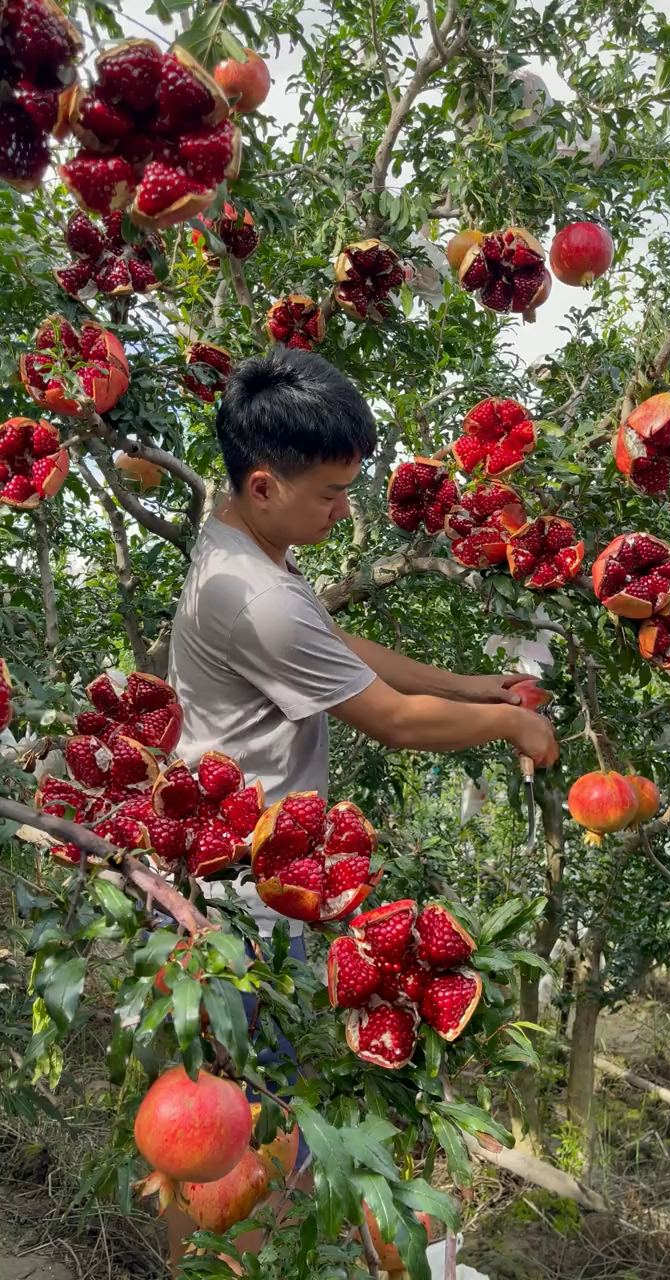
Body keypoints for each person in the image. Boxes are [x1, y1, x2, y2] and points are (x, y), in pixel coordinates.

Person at [164, 346, 558, 1263]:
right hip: (244, 904)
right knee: (233, 1125)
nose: (347, 512)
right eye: (333, 495)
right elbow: (394, 722)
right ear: (264, 485)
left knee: (251, 1108)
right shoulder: (256, 597)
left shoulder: (244, 547)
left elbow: (343, 647)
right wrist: (512, 731)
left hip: (261, 877)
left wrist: (478, 687)